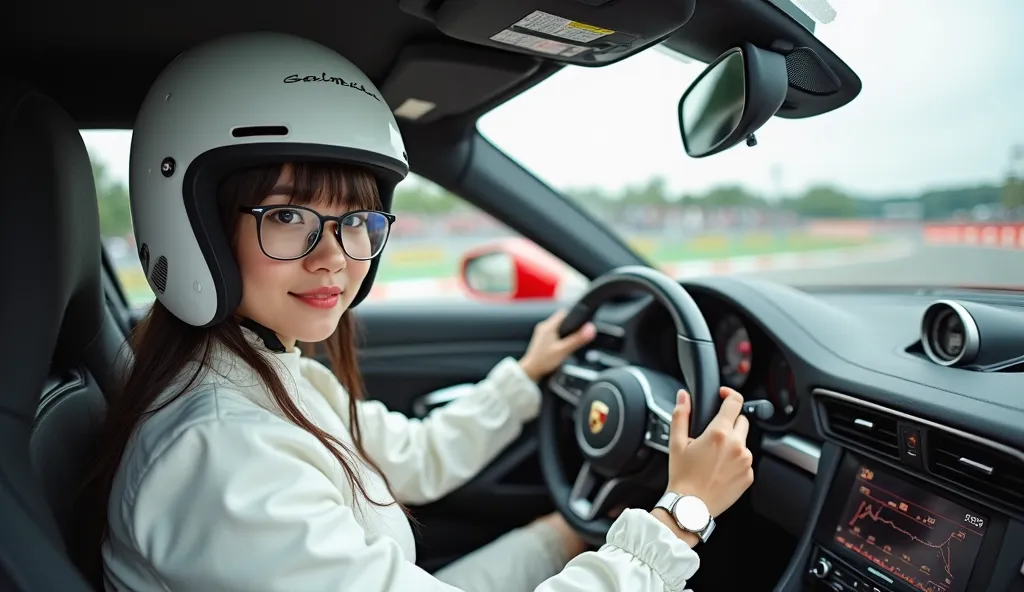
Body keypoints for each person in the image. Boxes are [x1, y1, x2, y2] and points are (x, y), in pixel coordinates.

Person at [73, 32, 755, 592]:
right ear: (194, 221)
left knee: (563, 532)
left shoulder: (264, 371)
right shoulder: (222, 456)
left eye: (357, 220)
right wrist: (677, 520)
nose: (335, 258)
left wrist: (526, 380)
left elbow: (413, 454)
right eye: (287, 216)